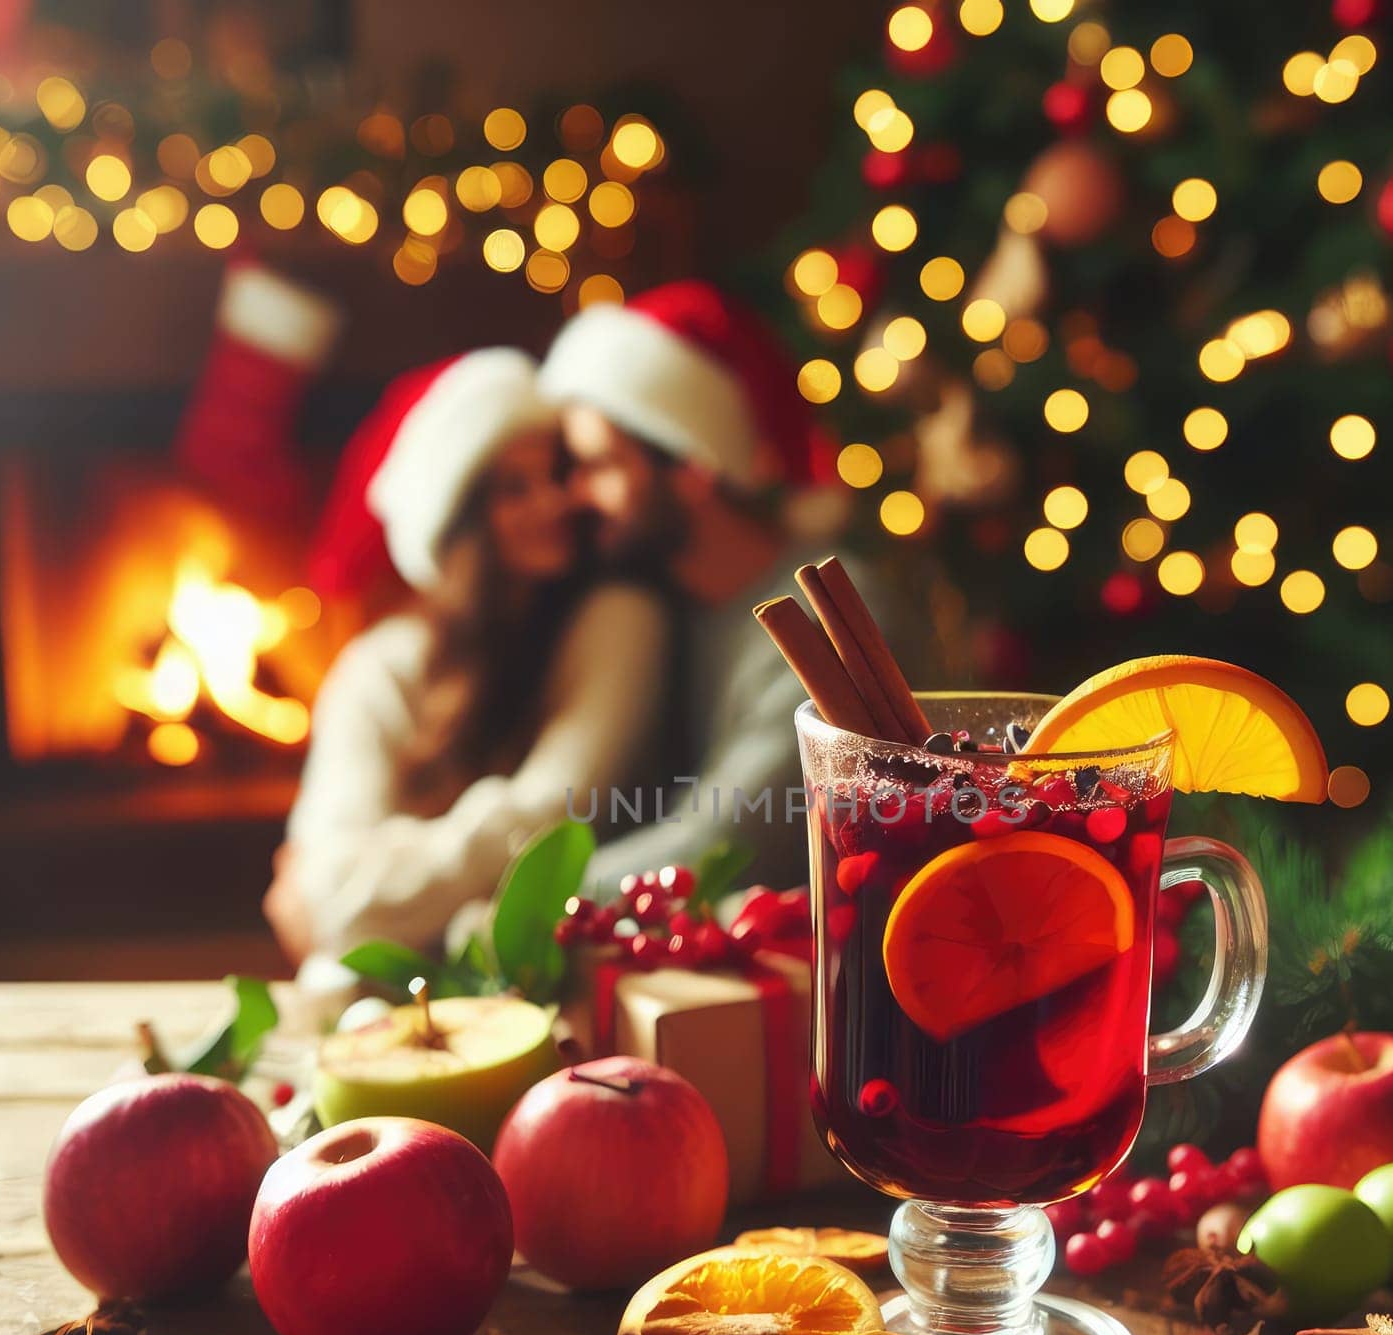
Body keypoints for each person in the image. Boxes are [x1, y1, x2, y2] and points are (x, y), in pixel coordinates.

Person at [266, 348, 669, 987]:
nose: (555, 502)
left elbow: (546, 824)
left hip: (544, 974)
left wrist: (362, 887)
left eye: (558, 473)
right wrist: (343, 897)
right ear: (462, 522)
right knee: (333, 983)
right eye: (514, 488)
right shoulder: (382, 667)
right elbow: (323, 878)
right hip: (402, 980)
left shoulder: (616, 620)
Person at [536, 280, 915, 894]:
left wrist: (524, 910)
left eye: (601, 465)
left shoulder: (826, 610)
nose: (577, 495)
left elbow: (725, 847)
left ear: (693, 469)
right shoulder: (661, 615)